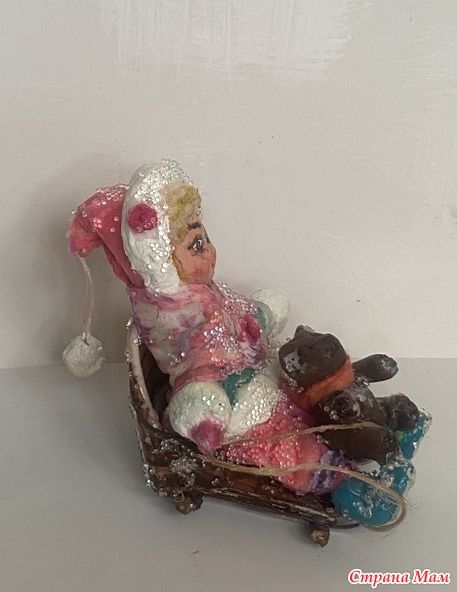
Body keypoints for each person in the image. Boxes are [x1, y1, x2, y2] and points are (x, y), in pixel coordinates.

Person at [67, 159, 430, 525]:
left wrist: (263, 314)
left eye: (205, 240)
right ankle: (347, 487)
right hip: (234, 407)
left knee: (307, 398)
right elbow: (193, 371)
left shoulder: (206, 294)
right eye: (196, 245)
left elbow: (241, 316)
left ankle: (372, 426)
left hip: (258, 373)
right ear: (163, 264)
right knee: (284, 446)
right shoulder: (173, 321)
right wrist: (204, 414)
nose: (210, 252)